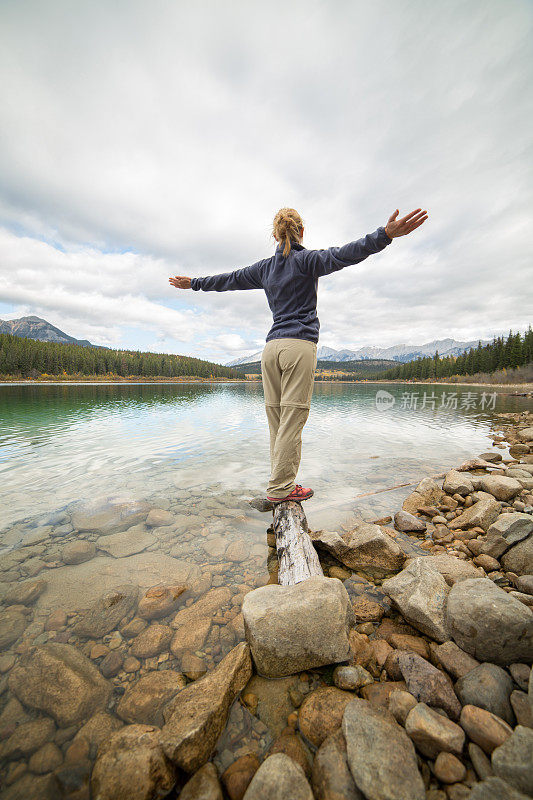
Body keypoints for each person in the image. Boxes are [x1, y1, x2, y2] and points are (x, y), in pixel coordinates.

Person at [169, 206, 428, 504]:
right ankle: (281, 489)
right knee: (292, 419)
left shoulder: (264, 268)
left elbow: (229, 279)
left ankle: (281, 483)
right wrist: (384, 235)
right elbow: (346, 253)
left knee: (277, 421)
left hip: (270, 351)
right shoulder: (308, 260)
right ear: (301, 231)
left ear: (275, 235)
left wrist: (194, 284)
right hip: (298, 347)